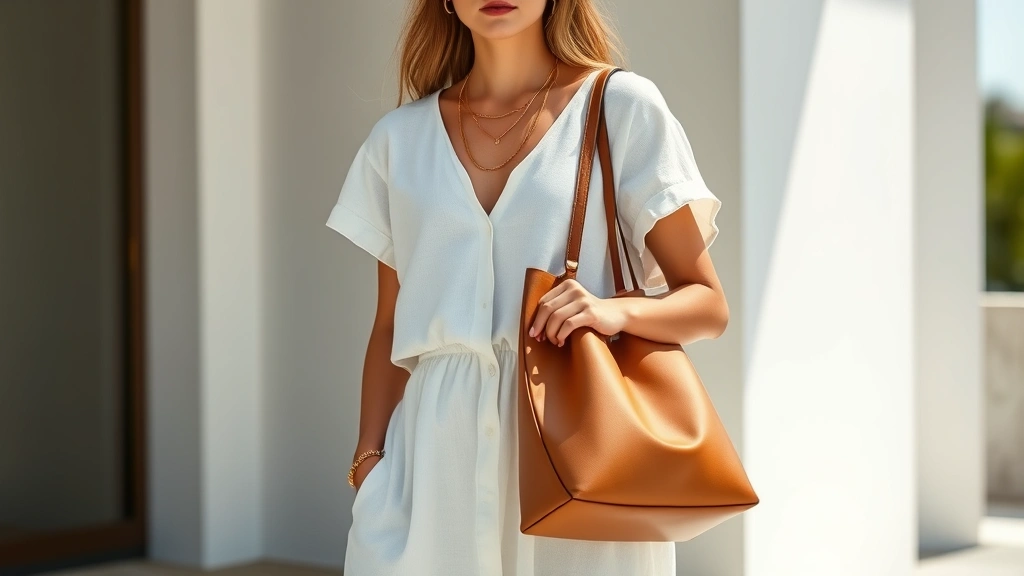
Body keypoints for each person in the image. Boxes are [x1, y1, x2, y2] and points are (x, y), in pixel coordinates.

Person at [326, 0, 728, 574]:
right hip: (434, 472)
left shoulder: (621, 109)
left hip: (579, 459)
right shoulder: (399, 141)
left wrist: (612, 313)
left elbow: (707, 304)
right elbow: (390, 324)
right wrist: (369, 464)